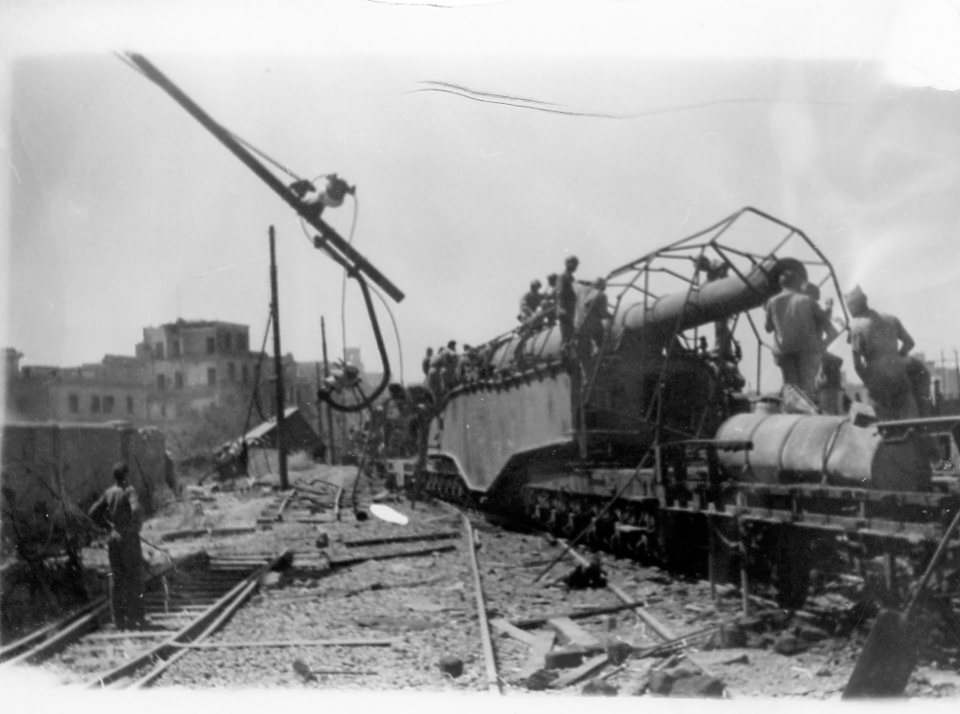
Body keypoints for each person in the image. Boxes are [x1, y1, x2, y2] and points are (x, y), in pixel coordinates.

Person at [846, 286, 921, 420]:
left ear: (854, 306)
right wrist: (897, 357)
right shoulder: (891, 319)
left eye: (849, 306)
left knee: (882, 428)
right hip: (899, 377)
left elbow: (857, 365)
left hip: (877, 382)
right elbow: (909, 343)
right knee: (909, 423)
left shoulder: (856, 327)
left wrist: (868, 381)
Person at [88, 462, 145, 630]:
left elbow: (92, 512)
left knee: (117, 579)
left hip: (114, 539)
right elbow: (135, 509)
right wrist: (135, 526)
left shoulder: (109, 492)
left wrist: (107, 527)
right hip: (128, 540)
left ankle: (119, 620)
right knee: (134, 578)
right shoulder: (129, 491)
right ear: (126, 475)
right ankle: (137, 618)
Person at [764, 269, 832, 399]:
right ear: (796, 284)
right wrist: (822, 345)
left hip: (784, 353)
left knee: (791, 392)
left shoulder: (772, 302)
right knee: (807, 392)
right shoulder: (807, 300)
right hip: (807, 354)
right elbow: (829, 329)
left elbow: (768, 328)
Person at [557, 256, 579, 344]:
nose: (575, 267)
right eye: (574, 264)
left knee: (571, 336)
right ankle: (565, 356)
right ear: (567, 264)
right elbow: (559, 293)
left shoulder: (571, 278)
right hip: (565, 310)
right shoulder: (562, 277)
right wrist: (561, 309)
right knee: (566, 337)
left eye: (576, 265)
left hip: (571, 310)